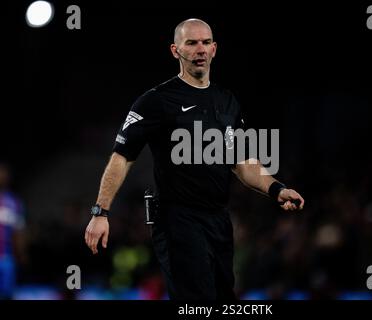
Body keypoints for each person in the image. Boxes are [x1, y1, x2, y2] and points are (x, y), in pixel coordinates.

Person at [84, 18, 305, 300]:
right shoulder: (155, 101)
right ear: (176, 51)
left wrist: (277, 188)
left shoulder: (227, 101)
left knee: (224, 299)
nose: (199, 49)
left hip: (219, 220)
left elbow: (241, 162)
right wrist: (100, 213)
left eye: (205, 43)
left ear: (214, 49)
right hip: (177, 219)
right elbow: (122, 157)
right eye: (191, 43)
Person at [0, 162, 26, 300]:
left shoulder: (14, 203)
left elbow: (19, 231)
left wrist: (21, 253)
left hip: (6, 258)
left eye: (3, 173)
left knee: (7, 295)